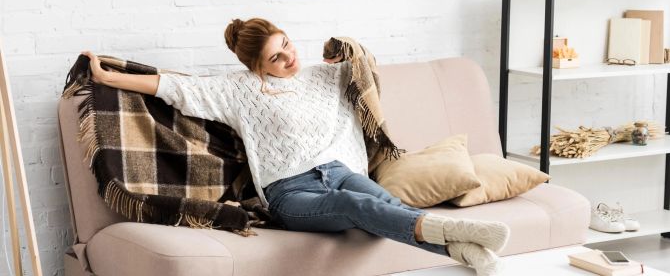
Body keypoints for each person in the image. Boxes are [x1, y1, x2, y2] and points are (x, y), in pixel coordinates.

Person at [80, 17, 510, 275]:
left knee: (387, 207)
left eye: (286, 43)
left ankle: (466, 249)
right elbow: (169, 86)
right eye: (275, 57)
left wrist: (345, 48)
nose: (289, 57)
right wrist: (108, 78)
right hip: (292, 192)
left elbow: (364, 66)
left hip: (342, 170)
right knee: (359, 209)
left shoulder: (325, 76)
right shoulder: (236, 91)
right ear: (256, 67)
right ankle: (461, 238)